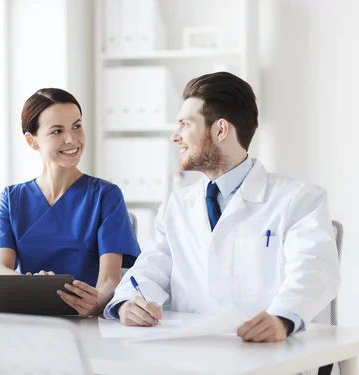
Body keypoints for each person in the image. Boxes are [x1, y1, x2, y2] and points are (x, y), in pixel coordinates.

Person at [104, 72, 341, 343]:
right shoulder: (177, 206)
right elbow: (148, 270)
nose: (175, 137)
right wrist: (129, 303)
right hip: (191, 352)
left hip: (265, 354)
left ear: (220, 130)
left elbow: (315, 270)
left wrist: (283, 318)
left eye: (185, 124)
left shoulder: (299, 199)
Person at [0, 88, 141, 317]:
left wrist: (96, 303)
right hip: (30, 318)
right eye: (57, 131)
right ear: (32, 141)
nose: (72, 139)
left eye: (77, 126)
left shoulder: (105, 196)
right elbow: (0, 268)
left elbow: (110, 280)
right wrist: (32, 287)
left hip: (86, 322)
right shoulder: (12, 199)